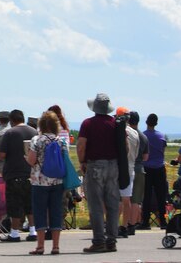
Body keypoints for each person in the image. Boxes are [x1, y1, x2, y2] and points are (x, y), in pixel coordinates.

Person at [77, 92, 120, 254]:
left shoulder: (88, 124)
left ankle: (99, 241)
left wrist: (82, 162)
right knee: (112, 204)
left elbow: (81, 146)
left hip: (95, 166)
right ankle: (111, 240)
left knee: (96, 205)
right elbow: (125, 147)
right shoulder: (116, 123)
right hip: (113, 166)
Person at [26, 111, 66, 255]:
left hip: (40, 181)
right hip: (57, 181)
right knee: (56, 212)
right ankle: (56, 246)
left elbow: (31, 160)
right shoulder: (60, 141)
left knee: (40, 212)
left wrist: (26, 157)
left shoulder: (37, 140)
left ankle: (40, 246)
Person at [0, 109, 37, 243]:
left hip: (14, 173)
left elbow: (1, 155)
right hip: (31, 174)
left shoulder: (10, 133)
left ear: (12, 120)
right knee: (30, 204)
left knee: (15, 204)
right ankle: (33, 230)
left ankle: (14, 233)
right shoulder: (34, 132)